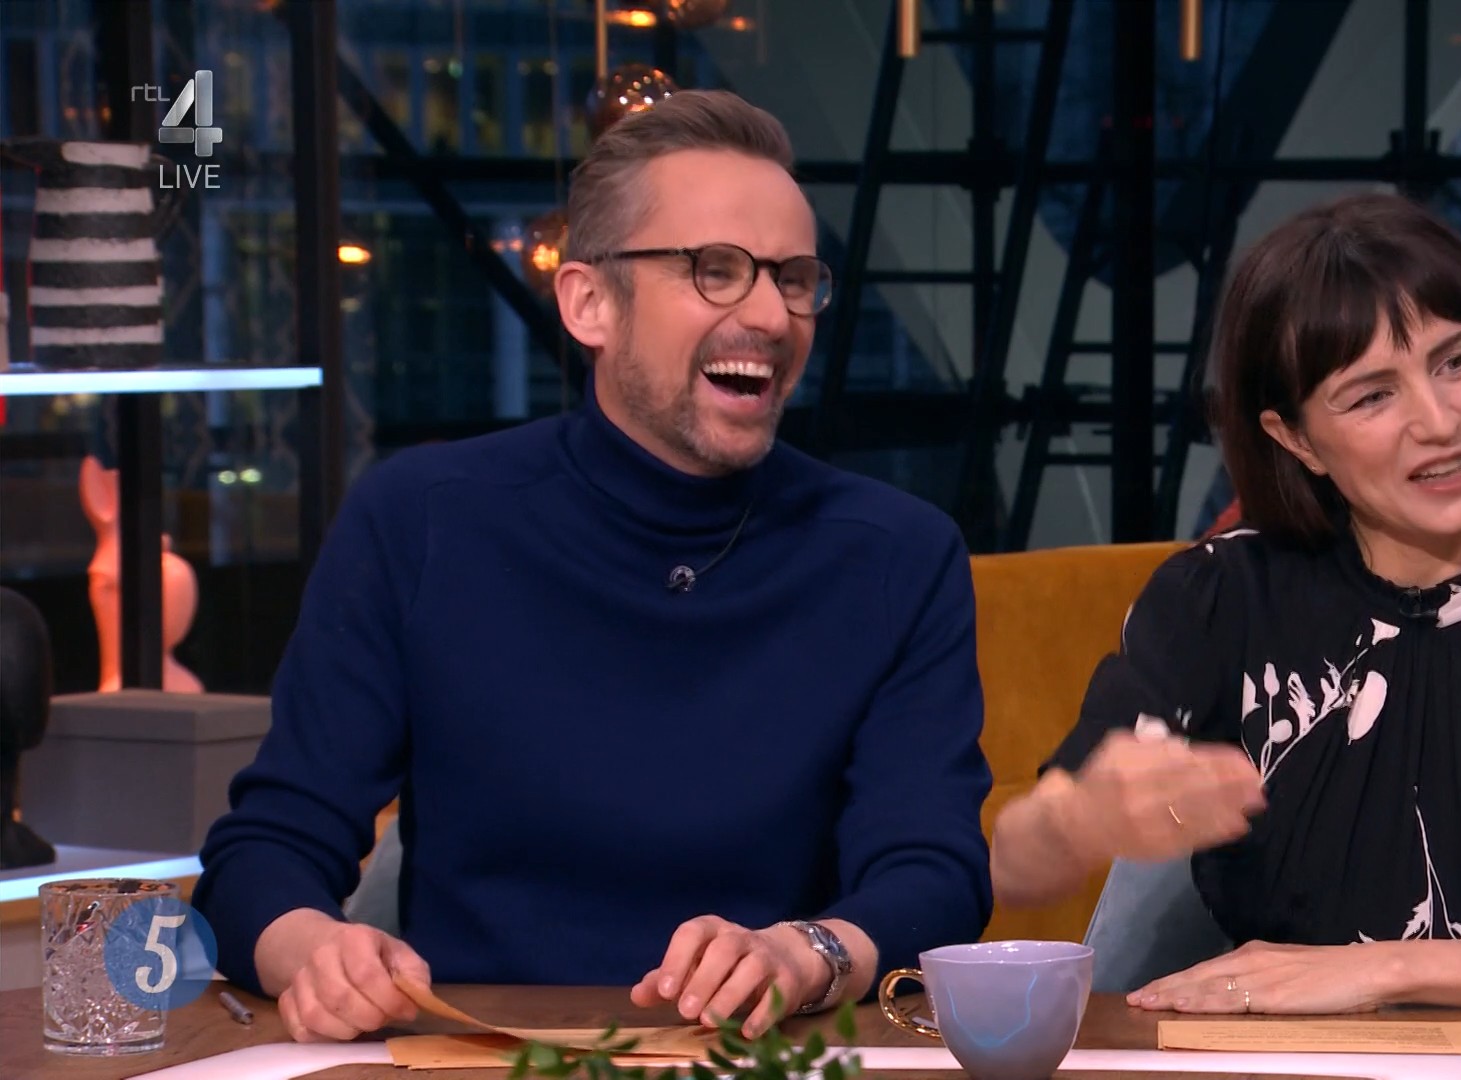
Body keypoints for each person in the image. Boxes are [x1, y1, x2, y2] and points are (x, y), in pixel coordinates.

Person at [194, 90, 993, 1042]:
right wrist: (314, 950)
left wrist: (809, 953)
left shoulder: (898, 554)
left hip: (764, 1057)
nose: (771, 317)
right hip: (482, 1058)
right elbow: (264, 852)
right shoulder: (421, 521)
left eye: (793, 278)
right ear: (588, 303)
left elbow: (935, 876)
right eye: (716, 270)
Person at [989, 192, 1461, 1014]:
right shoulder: (1220, 600)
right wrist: (1073, 822)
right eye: (1371, 396)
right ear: (1295, 438)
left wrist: (1387, 970)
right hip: (1278, 1065)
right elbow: (1016, 865)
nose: (1439, 421)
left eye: (1455, 362)